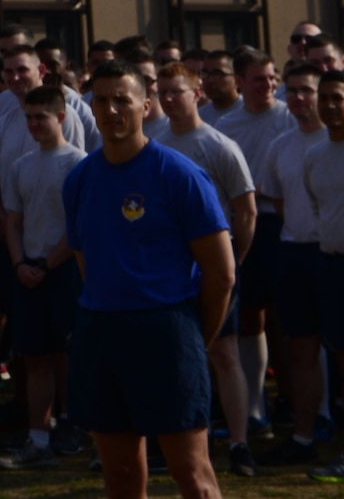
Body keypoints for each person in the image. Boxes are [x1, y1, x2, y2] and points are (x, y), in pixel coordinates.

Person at [65, 60, 233, 499]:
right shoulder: (80, 179)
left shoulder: (178, 174)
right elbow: (88, 262)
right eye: (101, 100)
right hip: (101, 331)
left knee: (191, 473)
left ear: (145, 103)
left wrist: (194, 336)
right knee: (119, 474)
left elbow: (221, 273)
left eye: (123, 99)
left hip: (166, 330)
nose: (111, 109)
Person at [155, 63, 260, 476]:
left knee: (224, 353)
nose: (167, 99)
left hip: (214, 266)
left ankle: (238, 443)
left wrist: (232, 262)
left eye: (175, 91)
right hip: (169, 269)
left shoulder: (219, 145)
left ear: (196, 93)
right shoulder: (156, 144)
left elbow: (246, 211)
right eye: (161, 91)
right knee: (171, 355)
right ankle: (175, 439)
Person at [0, 84, 86, 470]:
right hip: (28, 270)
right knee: (34, 358)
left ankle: (74, 425)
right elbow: (14, 222)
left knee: (69, 354)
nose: (33, 124)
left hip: (63, 271)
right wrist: (20, 264)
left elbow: (80, 229)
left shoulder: (79, 164)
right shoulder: (21, 166)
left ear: (61, 117)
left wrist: (48, 264)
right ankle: (38, 436)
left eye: (41, 117)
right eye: (29, 118)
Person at [215, 49, 294, 433]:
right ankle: (254, 407)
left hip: (283, 224)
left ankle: (295, 401)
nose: (267, 85)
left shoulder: (290, 116)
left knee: (287, 317)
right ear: (240, 82)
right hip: (246, 226)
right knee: (249, 318)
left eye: (271, 77)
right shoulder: (227, 127)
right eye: (258, 79)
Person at [256, 61, 328, 468]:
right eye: (294, 90)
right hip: (294, 253)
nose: (299, 98)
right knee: (300, 348)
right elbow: (279, 202)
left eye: (307, 90)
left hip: (333, 254)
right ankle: (303, 438)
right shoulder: (279, 146)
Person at [300, 71, 344, 481]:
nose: (331, 105)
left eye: (338, 97)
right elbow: (318, 209)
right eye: (326, 98)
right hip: (331, 264)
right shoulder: (314, 156)